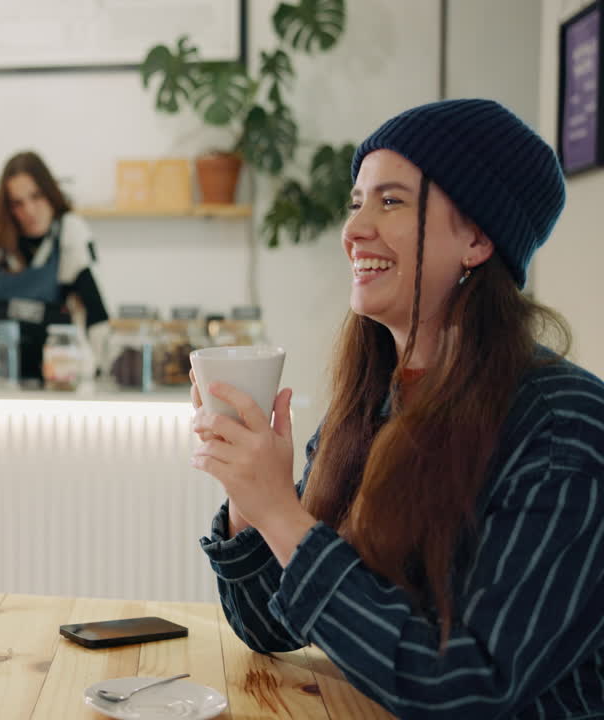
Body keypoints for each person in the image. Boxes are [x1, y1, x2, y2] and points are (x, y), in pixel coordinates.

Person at [191, 98, 604, 718]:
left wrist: (282, 512)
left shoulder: (563, 430)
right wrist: (249, 499)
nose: (354, 230)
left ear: (478, 237)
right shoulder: (377, 399)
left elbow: (467, 687)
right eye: (356, 202)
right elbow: (272, 628)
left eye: (391, 202)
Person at [0, 151, 110, 383]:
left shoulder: (70, 237)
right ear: (7, 207)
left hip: (45, 375)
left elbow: (95, 311)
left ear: (50, 193)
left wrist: (101, 367)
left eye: (36, 196)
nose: (29, 211)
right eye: (18, 203)